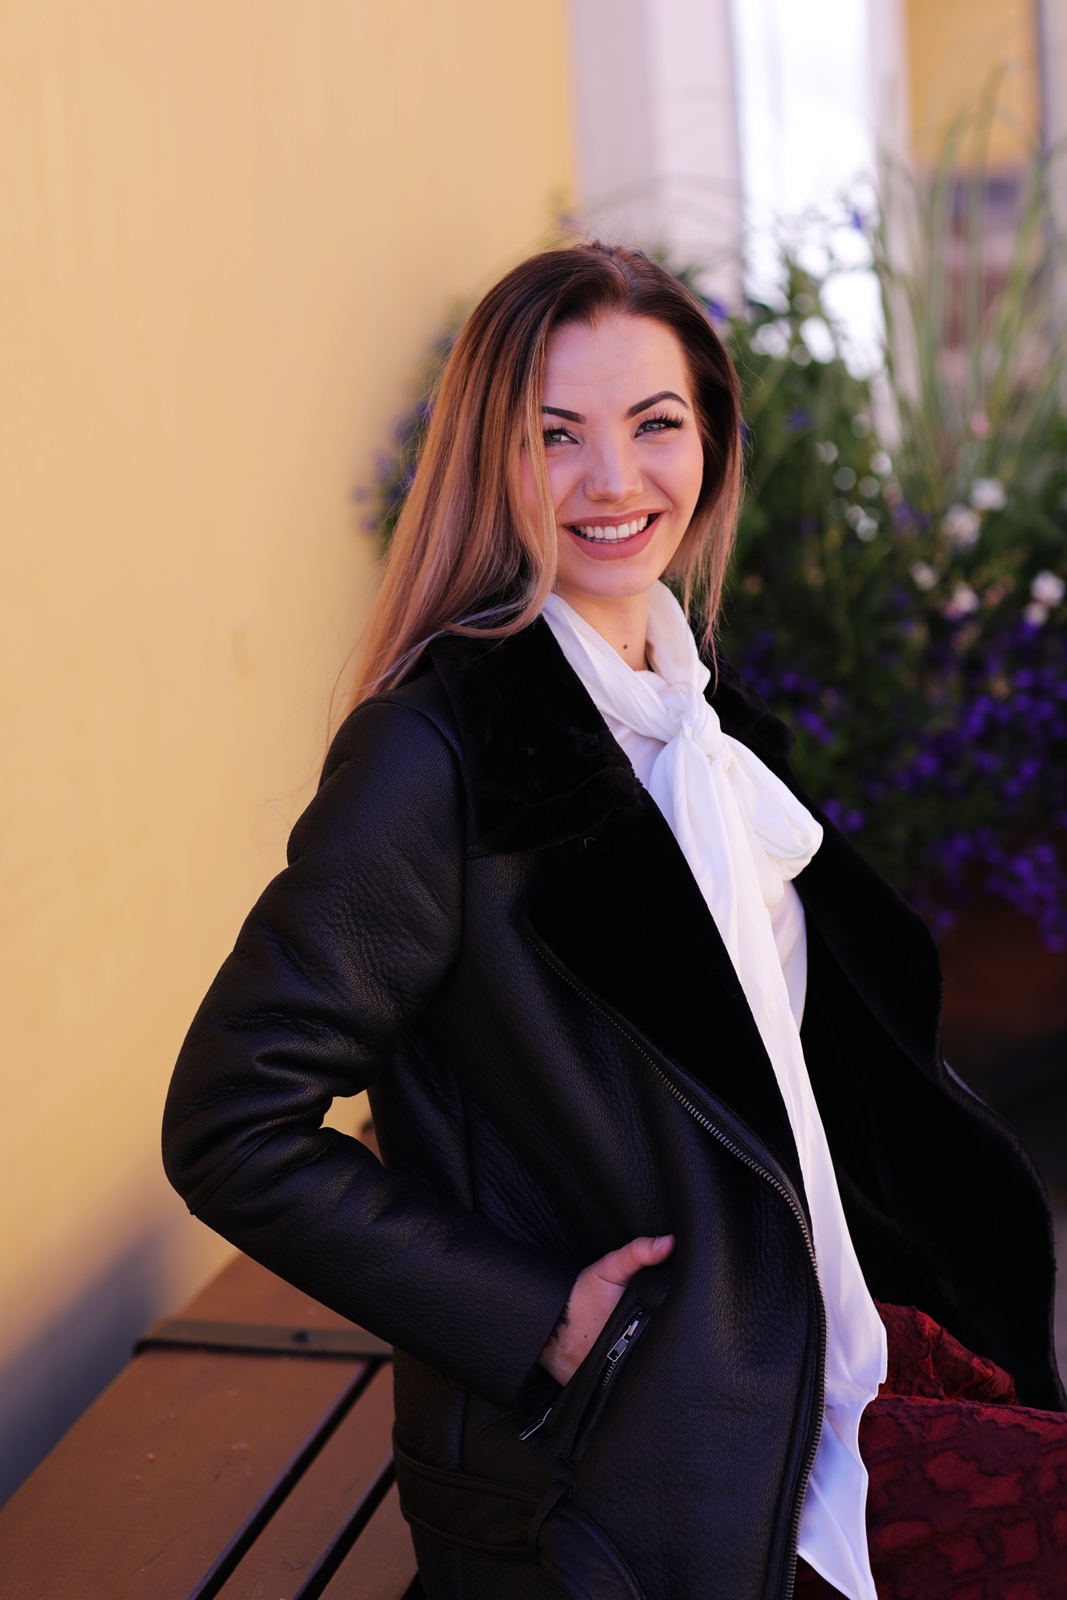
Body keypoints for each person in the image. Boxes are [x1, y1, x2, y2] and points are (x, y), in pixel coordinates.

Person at [163, 244, 1067, 1600]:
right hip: (636, 1462)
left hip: (807, 1357)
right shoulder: (442, 756)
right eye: (555, 437)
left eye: (655, 424)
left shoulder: (701, 724)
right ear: (492, 462)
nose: (614, 480)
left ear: (711, 441)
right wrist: (539, 1319)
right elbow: (229, 1126)